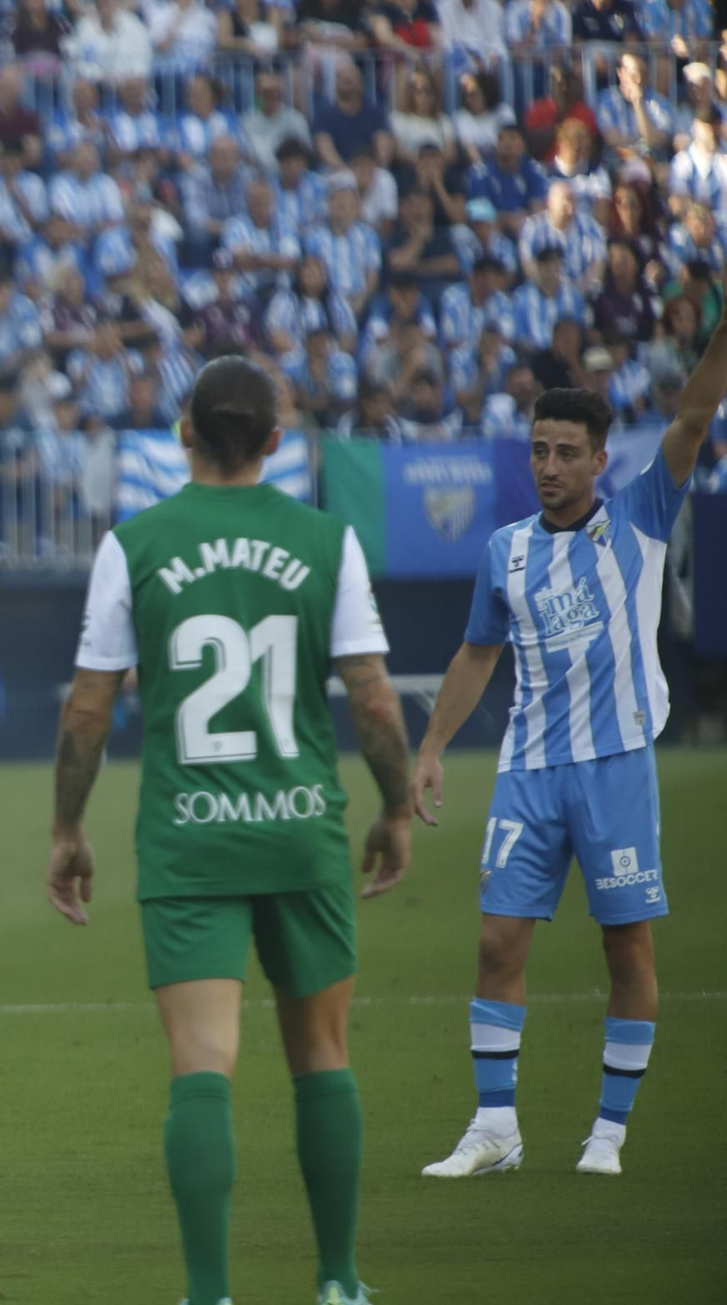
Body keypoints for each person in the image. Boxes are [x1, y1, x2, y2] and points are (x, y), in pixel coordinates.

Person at [47, 357, 412, 1305]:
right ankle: (338, 1280)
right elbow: (373, 701)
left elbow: (87, 712)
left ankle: (208, 1294)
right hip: (300, 830)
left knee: (199, 1064)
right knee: (324, 1055)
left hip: (187, 836)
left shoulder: (136, 543)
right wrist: (397, 807)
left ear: (182, 434)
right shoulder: (327, 540)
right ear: (278, 444)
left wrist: (68, 828)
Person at [411, 316, 727, 1180]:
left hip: (618, 765)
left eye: (565, 452)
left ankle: (609, 1133)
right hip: (527, 771)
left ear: (599, 461)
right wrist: (433, 744)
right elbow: (478, 652)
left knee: (626, 947)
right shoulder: (504, 552)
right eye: (539, 450)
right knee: (496, 943)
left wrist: (722, 337)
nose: (548, 466)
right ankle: (495, 1128)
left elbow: (694, 416)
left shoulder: (641, 519)